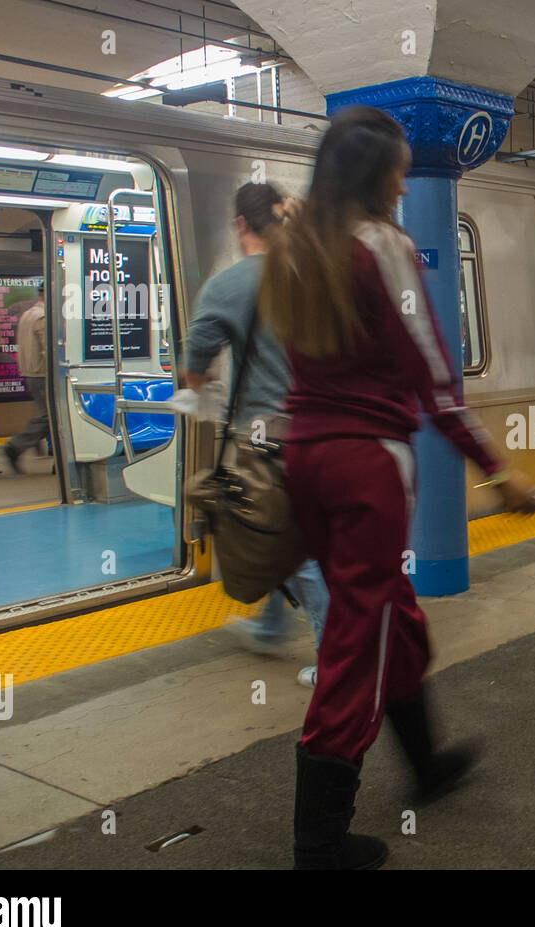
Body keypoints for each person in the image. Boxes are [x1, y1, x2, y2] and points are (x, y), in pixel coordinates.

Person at [260, 106, 535, 870]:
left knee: (391, 619)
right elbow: (432, 375)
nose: (403, 178)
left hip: (307, 457)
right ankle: (319, 839)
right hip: (368, 468)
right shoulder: (383, 245)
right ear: (377, 174)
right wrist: (497, 467)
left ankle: (428, 763)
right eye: (398, 166)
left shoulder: (294, 248)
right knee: (359, 639)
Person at [183, 181, 328, 688]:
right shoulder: (315, 275)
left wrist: (196, 384)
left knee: (283, 538)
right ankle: (270, 628)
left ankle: (336, 662)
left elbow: (194, 369)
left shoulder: (228, 286)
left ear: (241, 224)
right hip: (329, 430)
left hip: (269, 440)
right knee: (271, 525)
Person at [3, 282, 49, 472]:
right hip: (42, 373)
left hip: (31, 372)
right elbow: (49, 351)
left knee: (45, 414)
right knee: (51, 417)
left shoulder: (27, 315)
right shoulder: (42, 316)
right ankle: (16, 446)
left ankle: (35, 443)